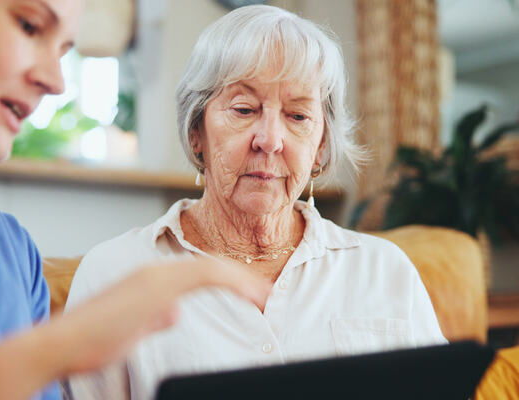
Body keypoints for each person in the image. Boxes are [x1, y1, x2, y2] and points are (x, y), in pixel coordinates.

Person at [65, 4, 447, 400]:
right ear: (196, 131)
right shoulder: (114, 274)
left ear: (320, 147)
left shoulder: (385, 271)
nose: (270, 140)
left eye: (298, 116)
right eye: (244, 109)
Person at [0, 1, 271, 399]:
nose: (56, 81)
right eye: (30, 27)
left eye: (64, 52)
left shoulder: (10, 250)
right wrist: (62, 345)